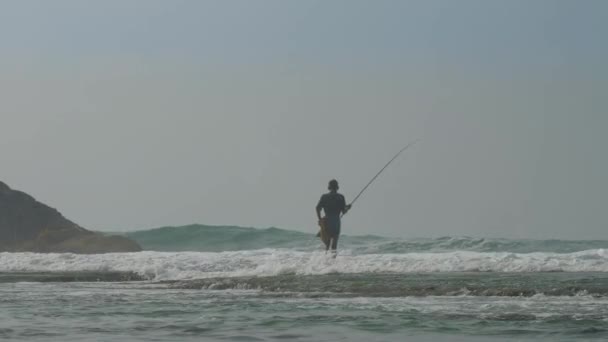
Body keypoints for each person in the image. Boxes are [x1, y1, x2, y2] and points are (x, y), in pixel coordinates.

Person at [316, 179, 351, 254]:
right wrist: (348, 208)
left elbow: (317, 208)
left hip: (327, 221)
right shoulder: (341, 197)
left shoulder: (324, 197)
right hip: (336, 222)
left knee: (327, 245)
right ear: (337, 187)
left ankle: (325, 261)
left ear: (329, 187)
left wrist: (320, 219)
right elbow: (343, 211)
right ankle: (332, 262)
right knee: (334, 245)